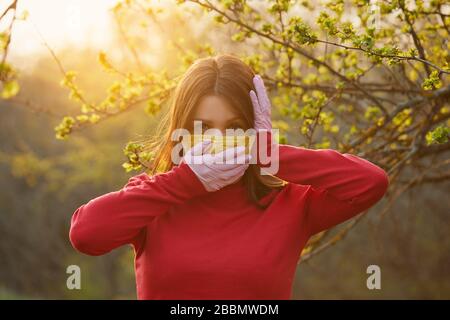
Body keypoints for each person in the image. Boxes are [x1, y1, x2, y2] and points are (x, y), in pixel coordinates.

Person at [69, 53, 389, 300]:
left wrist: (268, 152)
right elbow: (86, 235)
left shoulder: (290, 204)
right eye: (204, 127)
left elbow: (370, 183)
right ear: (182, 129)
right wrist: (184, 182)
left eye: (235, 128)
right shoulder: (156, 196)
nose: (219, 142)